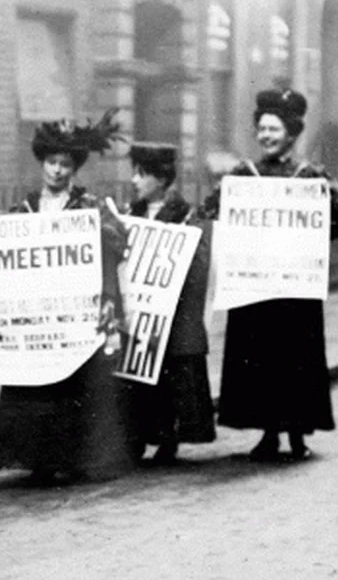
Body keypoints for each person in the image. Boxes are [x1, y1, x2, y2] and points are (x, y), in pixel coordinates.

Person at [200, 88, 338, 462]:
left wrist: (311, 234)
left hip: (294, 289)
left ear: (291, 133)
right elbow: (211, 210)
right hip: (255, 285)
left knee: (295, 356)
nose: (266, 136)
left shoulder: (312, 177)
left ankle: (298, 433)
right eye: (262, 129)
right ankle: (269, 432)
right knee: (260, 356)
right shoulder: (241, 175)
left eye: (275, 129)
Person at [0, 111, 136, 483]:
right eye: (51, 162)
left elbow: (117, 245)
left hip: (74, 315)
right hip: (36, 314)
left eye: (65, 164)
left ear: (75, 168)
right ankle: (36, 458)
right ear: (42, 163)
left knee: (73, 384)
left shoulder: (89, 208)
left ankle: (71, 457)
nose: (56, 171)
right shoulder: (23, 210)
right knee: (36, 385)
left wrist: (102, 232)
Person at [123, 142, 216, 464]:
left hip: (170, 314)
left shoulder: (186, 215)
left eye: (142, 174)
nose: (135, 181)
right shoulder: (130, 212)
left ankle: (167, 436)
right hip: (138, 311)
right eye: (134, 173)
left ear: (161, 180)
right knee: (135, 376)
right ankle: (135, 436)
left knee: (167, 378)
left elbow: (197, 263)